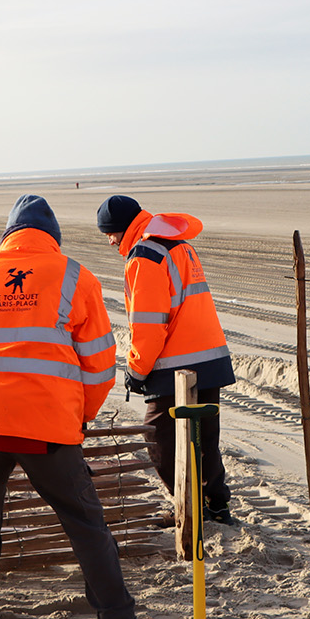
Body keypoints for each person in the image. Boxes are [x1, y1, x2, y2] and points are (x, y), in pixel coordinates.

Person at [0, 195, 156, 619]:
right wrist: (80, 416)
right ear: (52, 238)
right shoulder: (75, 276)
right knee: (85, 524)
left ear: (8, 236)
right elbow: (100, 364)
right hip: (47, 427)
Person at [94, 195, 236, 523]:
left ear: (122, 228)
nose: (110, 241)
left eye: (110, 233)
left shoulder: (145, 256)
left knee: (158, 439)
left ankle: (189, 506)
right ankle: (217, 505)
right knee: (205, 438)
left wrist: (136, 370)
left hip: (174, 363)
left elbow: (149, 325)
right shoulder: (177, 244)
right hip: (210, 356)